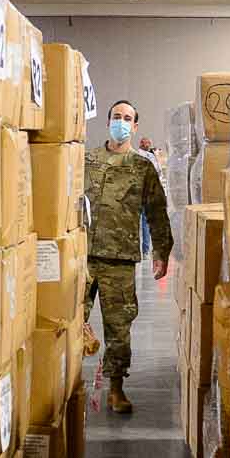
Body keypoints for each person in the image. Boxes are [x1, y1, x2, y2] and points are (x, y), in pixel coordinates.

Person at [84, 99, 173, 414]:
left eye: (127, 118)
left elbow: (157, 212)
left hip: (119, 259)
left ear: (135, 127)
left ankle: (116, 389)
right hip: (82, 257)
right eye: (116, 117)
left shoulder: (142, 167)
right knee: (67, 322)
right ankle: (60, 381)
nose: (121, 122)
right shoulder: (87, 160)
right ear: (107, 121)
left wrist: (161, 251)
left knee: (119, 329)